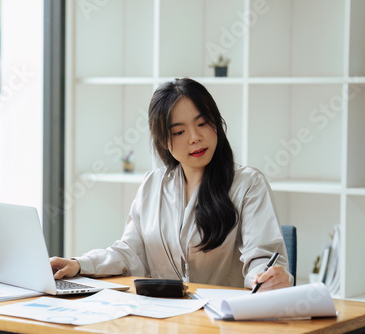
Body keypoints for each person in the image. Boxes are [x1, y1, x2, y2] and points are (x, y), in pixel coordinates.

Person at [51, 78, 292, 291]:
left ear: (216, 123)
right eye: (179, 132)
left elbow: (262, 258)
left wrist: (264, 277)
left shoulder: (248, 184)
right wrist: (79, 264)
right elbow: (130, 252)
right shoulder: (152, 184)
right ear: (164, 141)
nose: (194, 137)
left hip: (221, 321)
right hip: (164, 316)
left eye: (202, 123)